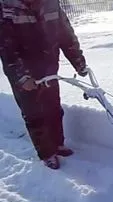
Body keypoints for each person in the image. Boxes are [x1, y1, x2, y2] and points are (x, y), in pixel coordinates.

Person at [0, 0, 88, 169]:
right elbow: (6, 48)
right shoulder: (8, 7)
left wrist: (78, 61)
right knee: (34, 115)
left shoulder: (51, 3)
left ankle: (58, 144)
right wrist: (22, 77)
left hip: (48, 66)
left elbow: (66, 34)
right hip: (23, 71)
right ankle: (47, 153)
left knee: (54, 108)